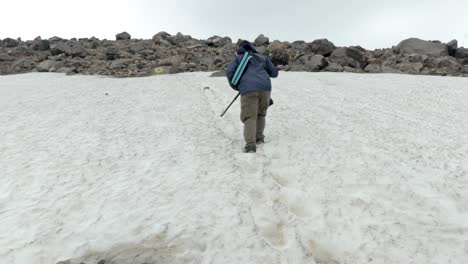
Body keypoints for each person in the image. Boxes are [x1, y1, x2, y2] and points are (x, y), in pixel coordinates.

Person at [226, 41, 279, 153]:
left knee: (250, 117)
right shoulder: (262, 57)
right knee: (261, 114)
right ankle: (259, 138)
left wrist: (237, 87)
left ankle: (250, 145)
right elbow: (274, 73)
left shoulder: (239, 58)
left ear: (240, 48)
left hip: (248, 89)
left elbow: (230, 72)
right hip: (265, 88)